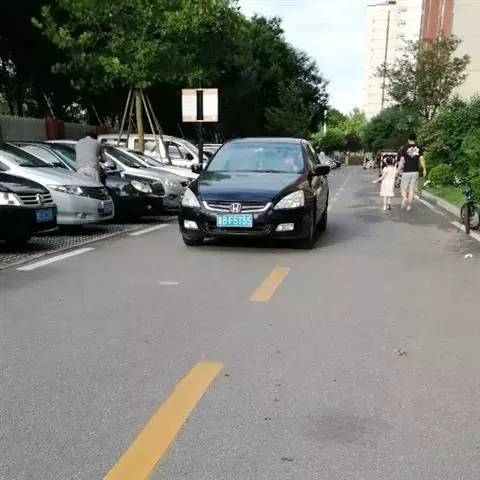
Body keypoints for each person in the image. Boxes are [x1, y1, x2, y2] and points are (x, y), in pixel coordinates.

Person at [398, 134, 426, 211]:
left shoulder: (404, 147)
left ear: (408, 139)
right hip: (415, 171)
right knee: (411, 189)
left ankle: (404, 198)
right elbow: (422, 159)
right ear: (415, 139)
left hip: (406, 171)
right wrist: (424, 169)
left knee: (403, 188)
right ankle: (409, 206)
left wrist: (399, 169)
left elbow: (402, 160)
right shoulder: (419, 148)